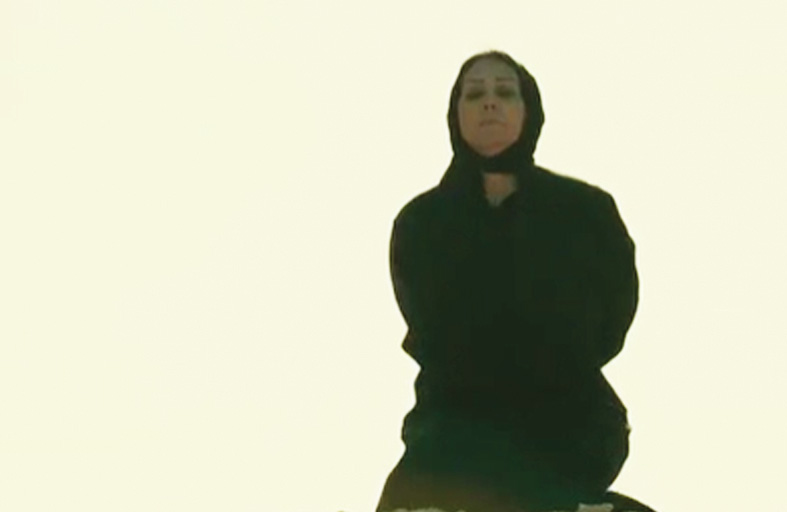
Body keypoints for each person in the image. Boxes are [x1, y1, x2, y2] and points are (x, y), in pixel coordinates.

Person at [375, 50, 643, 512]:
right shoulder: (423, 222)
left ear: (528, 110)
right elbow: (430, 322)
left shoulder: (585, 212)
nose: (490, 103)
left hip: (568, 417)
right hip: (454, 424)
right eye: (474, 94)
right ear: (455, 113)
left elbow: (613, 311)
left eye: (504, 92)